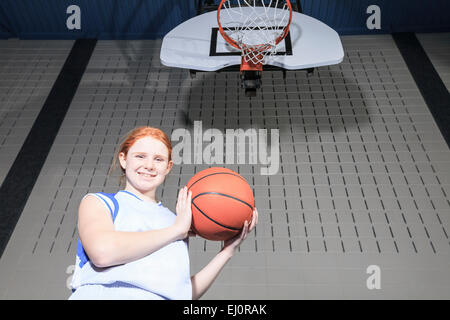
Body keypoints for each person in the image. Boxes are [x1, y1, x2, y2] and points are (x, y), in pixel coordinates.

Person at [69, 126, 258, 300]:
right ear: (123, 159)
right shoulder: (99, 202)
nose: (149, 165)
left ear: (168, 167)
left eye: (158, 159)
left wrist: (226, 252)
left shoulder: (176, 222)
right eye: (140, 156)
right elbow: (103, 253)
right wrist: (176, 230)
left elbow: (181, 293)